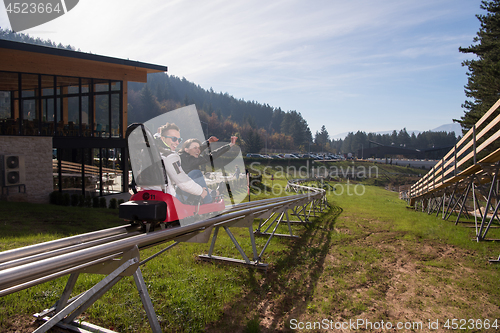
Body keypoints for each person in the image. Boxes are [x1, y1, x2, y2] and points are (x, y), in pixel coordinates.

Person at [153, 123, 211, 204]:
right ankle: (209, 201)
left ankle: (208, 194)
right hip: (168, 197)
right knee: (196, 173)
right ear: (162, 138)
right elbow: (183, 182)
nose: (177, 143)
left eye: (179, 140)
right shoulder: (170, 157)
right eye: (174, 139)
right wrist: (201, 191)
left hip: (151, 194)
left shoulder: (150, 154)